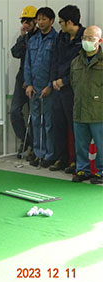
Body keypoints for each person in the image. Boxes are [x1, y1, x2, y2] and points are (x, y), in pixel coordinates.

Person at [50, 5, 85, 173]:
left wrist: (64, 81)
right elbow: (55, 59)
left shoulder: (84, 38)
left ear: (70, 22)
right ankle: (61, 158)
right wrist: (54, 81)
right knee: (58, 123)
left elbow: (81, 66)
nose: (60, 25)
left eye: (61, 22)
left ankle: (78, 162)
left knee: (75, 127)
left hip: (74, 89)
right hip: (58, 88)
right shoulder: (61, 37)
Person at [24, 7, 58, 168]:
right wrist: (28, 83)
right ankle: (38, 153)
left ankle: (50, 155)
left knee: (49, 123)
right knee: (36, 121)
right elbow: (27, 64)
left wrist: (50, 84)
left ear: (51, 21)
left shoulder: (56, 39)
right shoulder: (33, 40)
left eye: (44, 19)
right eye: (38, 19)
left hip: (49, 89)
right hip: (34, 88)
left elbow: (56, 65)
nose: (40, 22)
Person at [70, 25, 103, 184]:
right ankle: (82, 170)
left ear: (99, 41)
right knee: (81, 144)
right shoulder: (76, 61)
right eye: (84, 38)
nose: (86, 41)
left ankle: (101, 172)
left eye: (91, 38)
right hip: (79, 110)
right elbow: (72, 83)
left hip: (99, 111)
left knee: (101, 144)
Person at [10, 5, 38, 160]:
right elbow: (15, 53)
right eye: (23, 21)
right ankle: (26, 139)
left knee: (34, 116)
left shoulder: (41, 37)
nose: (25, 24)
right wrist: (22, 37)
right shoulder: (25, 38)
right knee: (14, 111)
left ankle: (35, 147)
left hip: (35, 80)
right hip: (21, 79)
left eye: (28, 21)